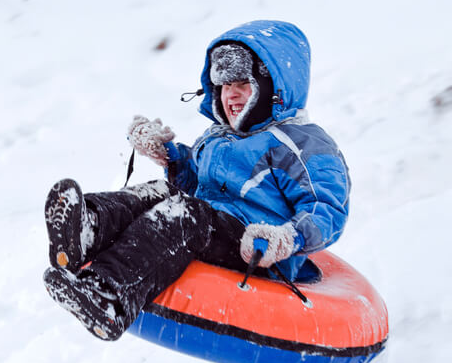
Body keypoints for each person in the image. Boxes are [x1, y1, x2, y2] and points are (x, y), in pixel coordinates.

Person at [43, 19, 350, 341]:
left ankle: (109, 297)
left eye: (242, 85)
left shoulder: (303, 144)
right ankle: (87, 227)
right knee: (161, 193)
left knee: (185, 214)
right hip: (212, 224)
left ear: (274, 89)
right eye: (223, 87)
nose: (231, 96)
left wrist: (285, 238)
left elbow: (327, 207)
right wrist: (168, 155)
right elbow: (199, 184)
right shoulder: (219, 136)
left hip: (255, 246)